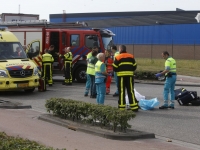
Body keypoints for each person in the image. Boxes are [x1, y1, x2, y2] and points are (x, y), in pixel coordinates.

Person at [113, 45, 139, 112]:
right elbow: (135, 66)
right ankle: (134, 107)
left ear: (121, 49)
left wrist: (119, 70)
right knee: (130, 91)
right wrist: (130, 70)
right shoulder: (131, 56)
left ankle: (121, 107)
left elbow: (114, 67)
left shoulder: (118, 57)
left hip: (121, 76)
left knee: (122, 91)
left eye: (119, 49)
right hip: (130, 76)